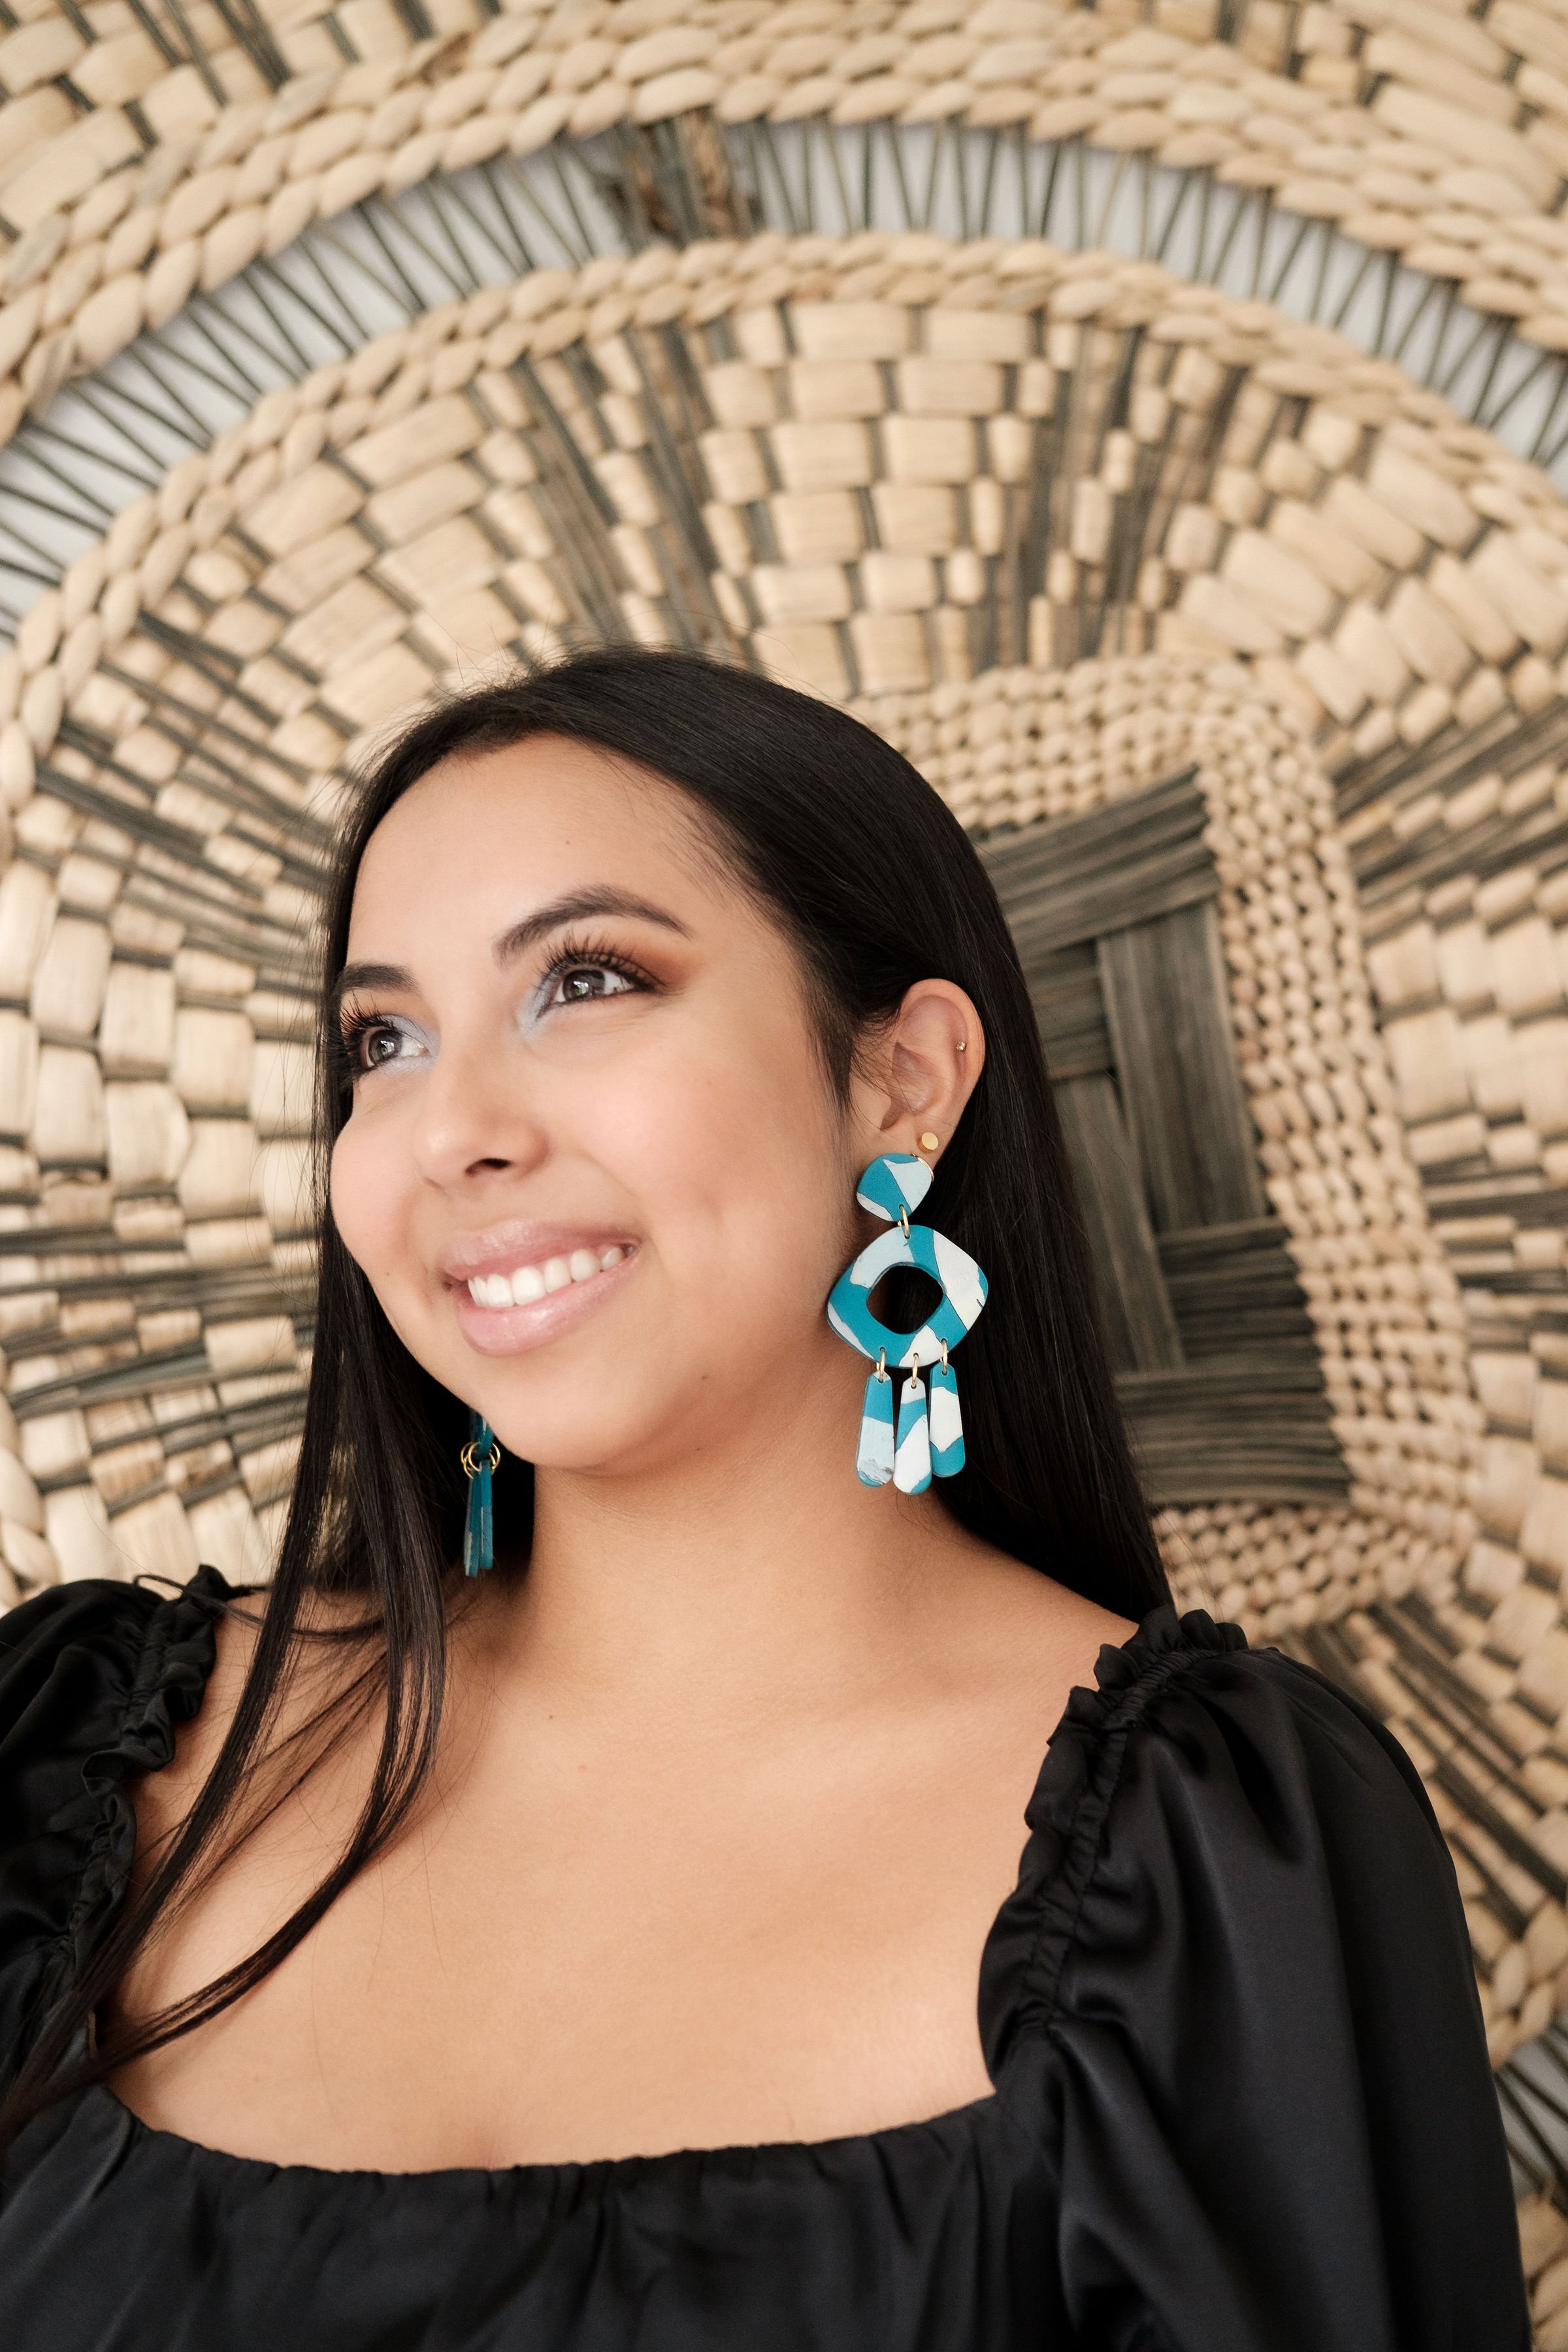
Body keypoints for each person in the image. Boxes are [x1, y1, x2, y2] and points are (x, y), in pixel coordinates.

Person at [0, 648, 1529, 2349]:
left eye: (584, 982)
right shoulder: (70, 1752)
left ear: (904, 1080)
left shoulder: (1213, 1854)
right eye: (383, 1039)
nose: (454, 1130)